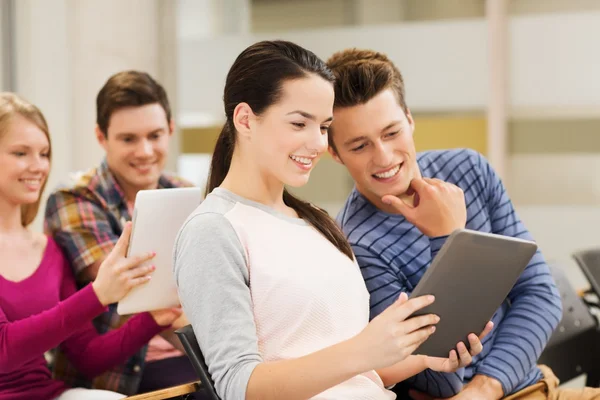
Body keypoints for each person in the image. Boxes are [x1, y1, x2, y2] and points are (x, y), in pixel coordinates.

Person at [173, 40, 492, 400]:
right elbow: (239, 386)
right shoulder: (213, 230)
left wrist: (424, 355)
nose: (317, 143)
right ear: (245, 119)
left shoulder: (317, 222)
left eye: (323, 126)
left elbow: (355, 375)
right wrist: (363, 349)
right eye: (299, 123)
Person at [326, 48, 600, 399]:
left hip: (528, 386)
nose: (383, 156)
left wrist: (486, 388)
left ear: (409, 120)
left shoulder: (469, 170)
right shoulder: (356, 246)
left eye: (391, 132)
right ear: (334, 153)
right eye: (360, 145)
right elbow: (443, 370)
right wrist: (449, 236)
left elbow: (539, 294)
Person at [0, 92, 181, 400]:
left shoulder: (48, 250)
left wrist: (154, 318)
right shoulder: (74, 201)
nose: (38, 166)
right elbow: (4, 350)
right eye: (21, 153)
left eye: (44, 153)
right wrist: (98, 294)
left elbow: (88, 356)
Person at [44, 71, 196, 395]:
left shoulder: (185, 191)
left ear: (170, 130)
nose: (144, 151)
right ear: (101, 137)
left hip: (188, 355)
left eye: (155, 135)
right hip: (119, 375)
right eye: (128, 139)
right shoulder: (74, 198)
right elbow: (135, 286)